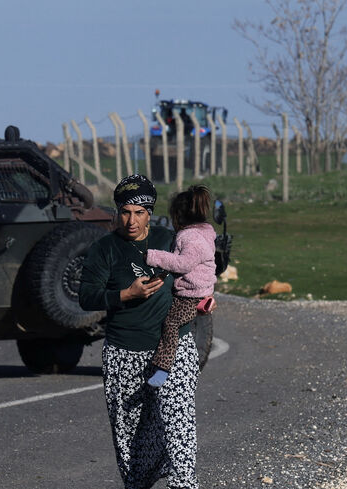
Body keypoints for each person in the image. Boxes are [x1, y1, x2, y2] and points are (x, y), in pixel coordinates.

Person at [79, 174, 199, 489]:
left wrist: (204, 297)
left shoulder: (169, 240)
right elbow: (86, 297)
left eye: (139, 212)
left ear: (150, 213)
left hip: (172, 349)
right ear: (117, 212)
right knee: (132, 438)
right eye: (125, 212)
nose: (131, 220)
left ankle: (184, 484)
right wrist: (124, 295)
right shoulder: (104, 249)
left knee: (178, 421)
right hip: (123, 353)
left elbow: (197, 271)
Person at [145, 185, 217, 388]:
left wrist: (153, 256)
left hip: (192, 295)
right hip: (199, 291)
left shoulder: (190, 238)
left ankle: (163, 368)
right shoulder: (204, 233)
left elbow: (182, 264)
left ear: (178, 216)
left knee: (171, 324)